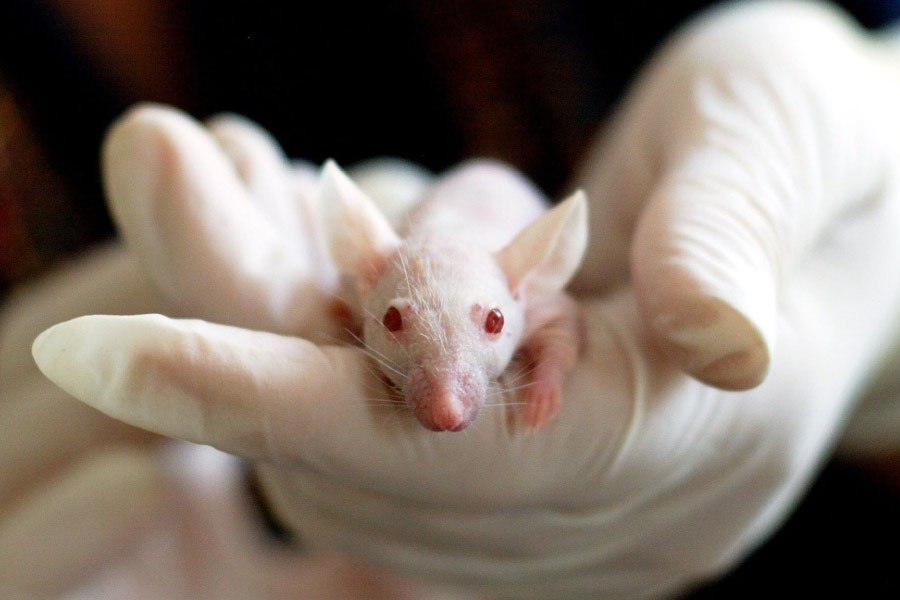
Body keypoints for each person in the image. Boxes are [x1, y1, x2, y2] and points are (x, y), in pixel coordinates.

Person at [4, 1, 900, 598]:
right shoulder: (374, 279)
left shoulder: (531, 289)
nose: (444, 403)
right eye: (389, 324)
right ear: (359, 264)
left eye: (496, 332)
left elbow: (559, 325)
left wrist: (871, 307)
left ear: (536, 270)